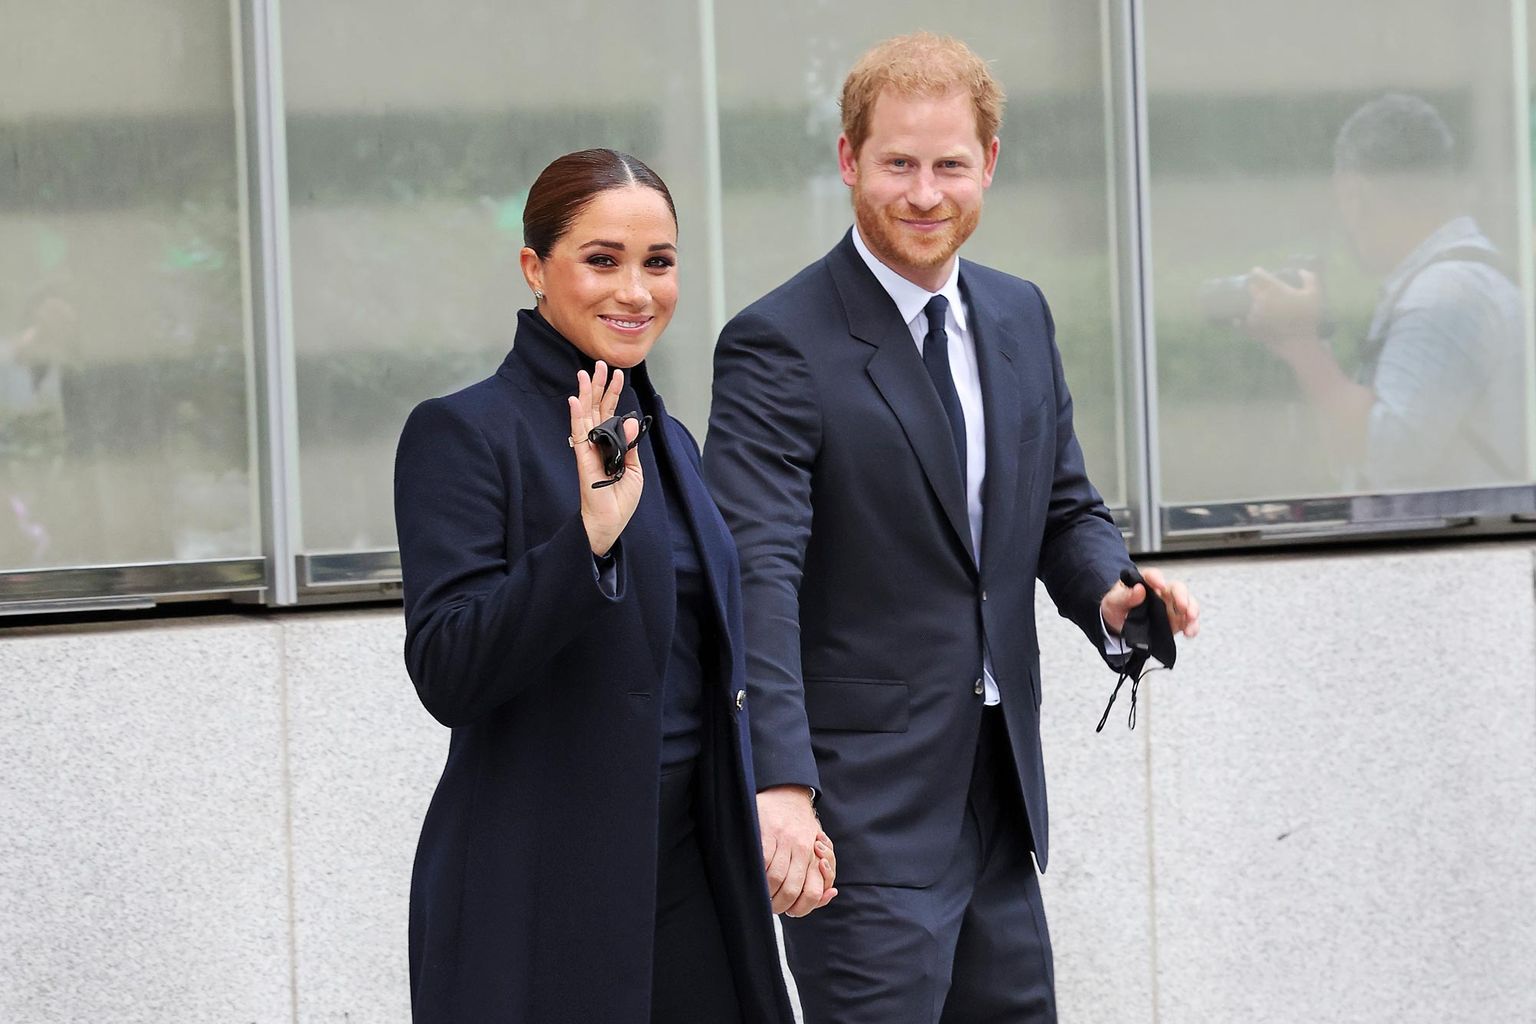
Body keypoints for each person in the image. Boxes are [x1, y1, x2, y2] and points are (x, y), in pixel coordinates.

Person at [703, 33, 1199, 1023]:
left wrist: (1111, 589)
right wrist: (780, 786)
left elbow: (1063, 508)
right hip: (858, 816)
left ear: (990, 165)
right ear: (849, 161)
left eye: (949, 165)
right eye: (898, 163)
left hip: (996, 803)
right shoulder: (777, 343)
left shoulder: (1019, 316)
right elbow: (753, 573)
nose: (925, 193)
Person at [393, 148, 821, 1023]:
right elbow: (447, 669)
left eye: (658, 263)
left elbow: (711, 666)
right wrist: (585, 540)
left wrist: (780, 793)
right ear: (534, 268)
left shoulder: (669, 441)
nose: (636, 290)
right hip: (538, 898)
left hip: (694, 882)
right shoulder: (463, 433)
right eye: (602, 259)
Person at [1244, 93, 1526, 495]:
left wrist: (1301, 344)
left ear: (1354, 195)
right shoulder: (1465, 277)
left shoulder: (1446, 293)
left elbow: (1386, 454)